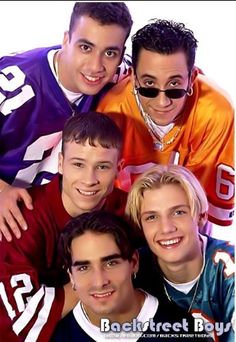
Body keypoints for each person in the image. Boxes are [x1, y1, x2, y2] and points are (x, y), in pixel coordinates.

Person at [0, 2, 133, 240]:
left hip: (63, 231)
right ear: (65, 40)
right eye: (85, 47)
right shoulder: (12, 83)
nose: (96, 66)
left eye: (110, 53)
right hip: (11, 226)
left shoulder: (124, 76)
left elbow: (175, 72)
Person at [0, 111, 128, 342]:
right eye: (78, 164)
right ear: (60, 163)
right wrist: (91, 283)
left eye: (102, 167)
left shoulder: (129, 210)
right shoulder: (20, 218)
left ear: (119, 167)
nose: (89, 179)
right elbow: (17, 322)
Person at [97, 19, 235, 228]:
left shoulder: (214, 112)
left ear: (192, 78)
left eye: (174, 85)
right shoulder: (112, 111)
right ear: (134, 78)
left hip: (186, 227)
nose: (162, 102)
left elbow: (202, 214)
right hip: (126, 225)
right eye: (149, 85)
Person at [52, 210, 211, 342]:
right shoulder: (53, 334)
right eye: (84, 268)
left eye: (111, 263)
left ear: (133, 262)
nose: (99, 281)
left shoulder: (182, 332)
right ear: (71, 276)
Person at [125, 164, 235, 342]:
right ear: (140, 225)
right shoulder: (132, 269)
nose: (166, 228)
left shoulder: (229, 269)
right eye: (152, 217)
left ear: (201, 215)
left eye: (178, 212)